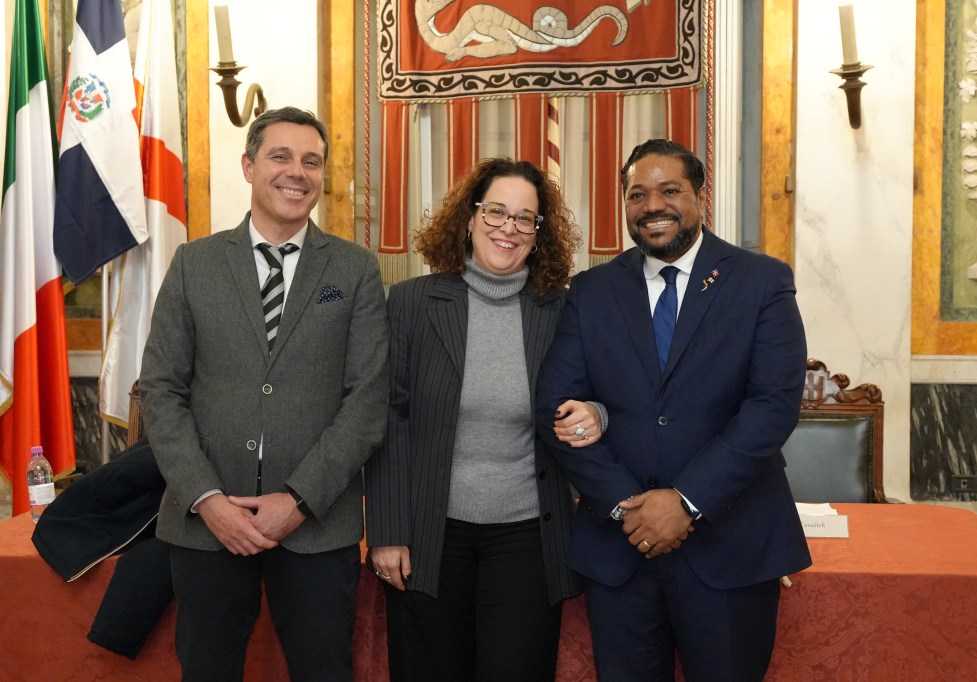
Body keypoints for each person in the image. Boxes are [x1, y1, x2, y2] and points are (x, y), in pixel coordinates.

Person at [535, 139, 812, 681]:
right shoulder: (591, 291)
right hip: (621, 548)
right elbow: (556, 407)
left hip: (731, 545)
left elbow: (772, 406)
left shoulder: (761, 281)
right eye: (637, 195)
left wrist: (685, 501)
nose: (652, 206)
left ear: (700, 197)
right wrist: (626, 507)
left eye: (669, 190)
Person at [139, 106, 389, 681]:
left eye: (312, 161)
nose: (297, 172)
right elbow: (161, 389)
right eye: (281, 156)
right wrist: (207, 498)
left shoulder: (353, 271)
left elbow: (367, 402)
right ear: (249, 166)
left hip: (317, 525)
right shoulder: (194, 263)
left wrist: (298, 502)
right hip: (207, 524)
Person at [364, 158, 600, 682]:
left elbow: (604, 395)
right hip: (428, 535)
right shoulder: (412, 302)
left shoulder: (561, 310)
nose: (508, 227)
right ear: (469, 218)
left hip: (527, 539)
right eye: (496, 211)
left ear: (539, 234)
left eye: (525, 218)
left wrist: (597, 413)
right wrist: (387, 531)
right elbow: (387, 418)